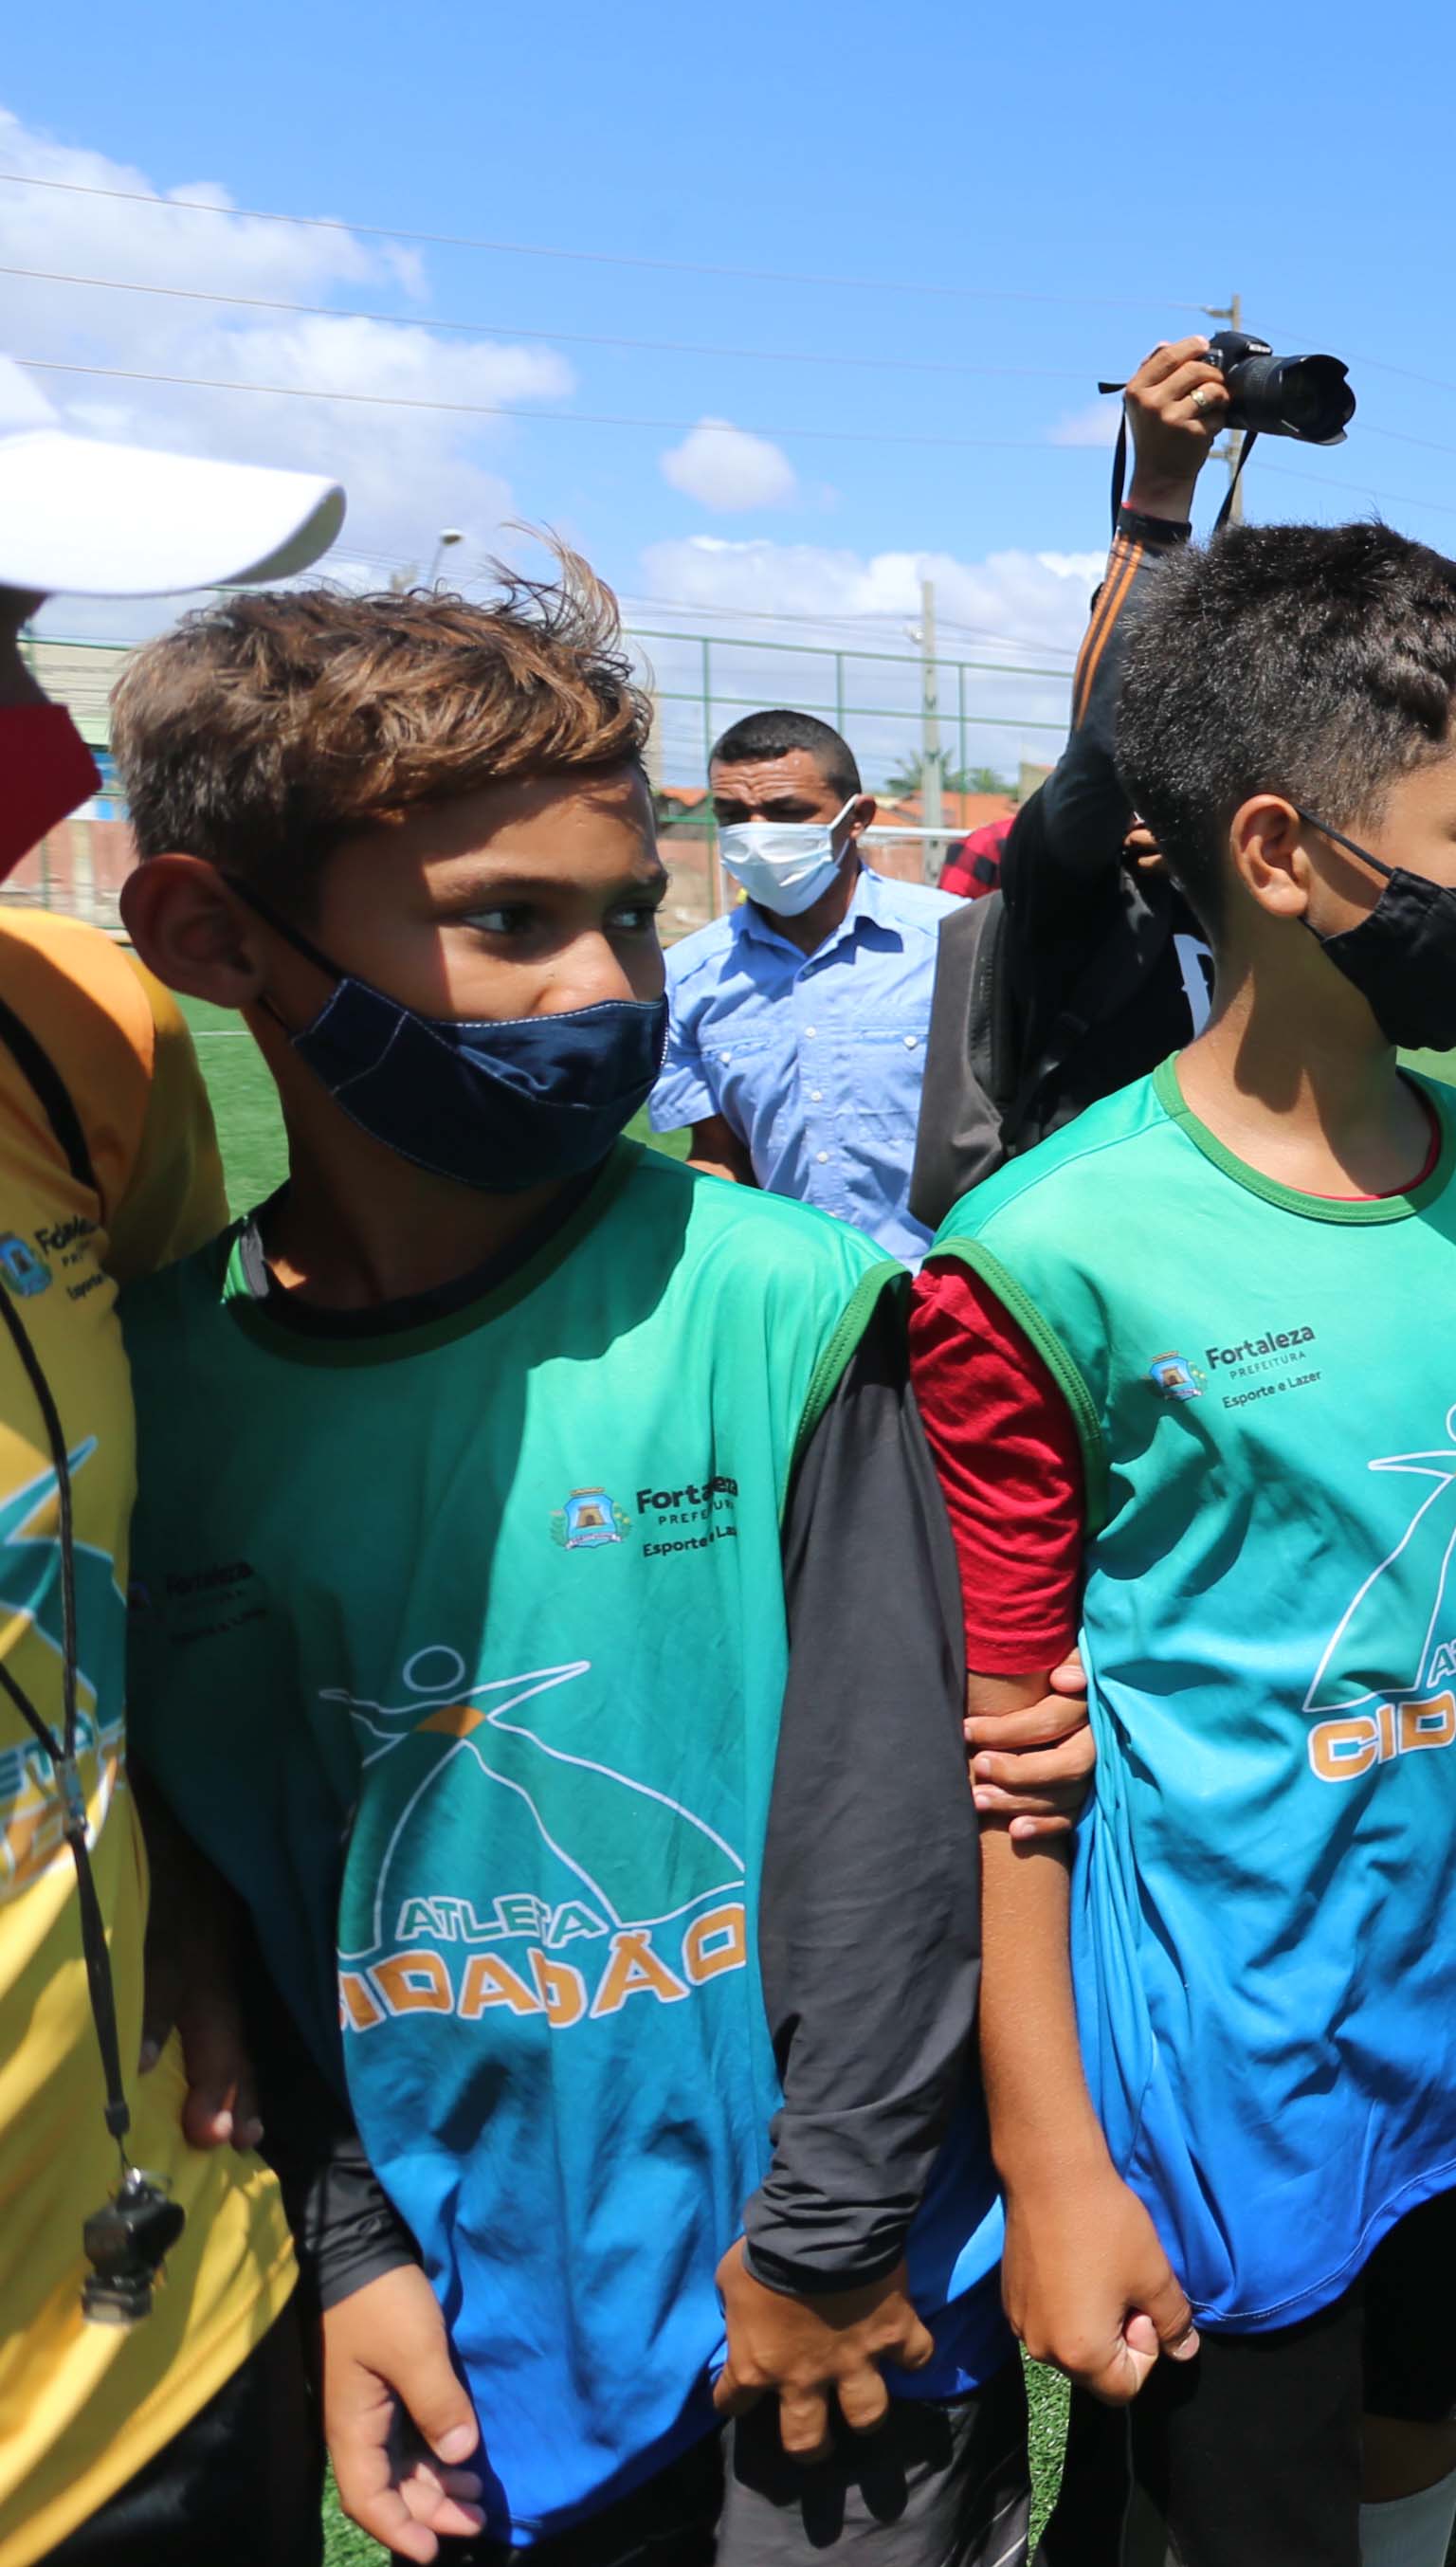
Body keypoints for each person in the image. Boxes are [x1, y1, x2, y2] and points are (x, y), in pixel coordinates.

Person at [112, 563, 1015, 2562]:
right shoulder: (163, 1392)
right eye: (510, 922)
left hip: (841, 2311)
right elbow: (260, 1879)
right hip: (476, 2330)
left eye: (628, 915)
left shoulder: (774, 1299)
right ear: (211, 936)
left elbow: (890, 1820)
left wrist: (834, 2228)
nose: (611, 990)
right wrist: (352, 2244)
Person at [920, 519, 1456, 2567]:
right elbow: (1000, 1760)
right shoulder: (1045, 1252)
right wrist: (1049, 2158)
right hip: (1227, 2083)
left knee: (1425, 2441)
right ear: (1282, 853)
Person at [0, 369, 338, 2567]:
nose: (29, 715)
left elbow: (184, 1535)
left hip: (147, 2320)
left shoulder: (75, 1034)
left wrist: (203, 1920)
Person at [904, 338, 1234, 1230]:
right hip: (1093, 1256)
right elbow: (1104, 753)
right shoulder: (1069, 869)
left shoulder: (1266, 879)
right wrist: (1158, 506)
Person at [659, 710, 969, 1257]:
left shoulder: (958, 942)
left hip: (952, 1285)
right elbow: (718, 1152)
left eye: (787, 812)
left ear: (857, 818)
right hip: (797, 1294)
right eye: (733, 814)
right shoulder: (688, 976)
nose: (755, 836)